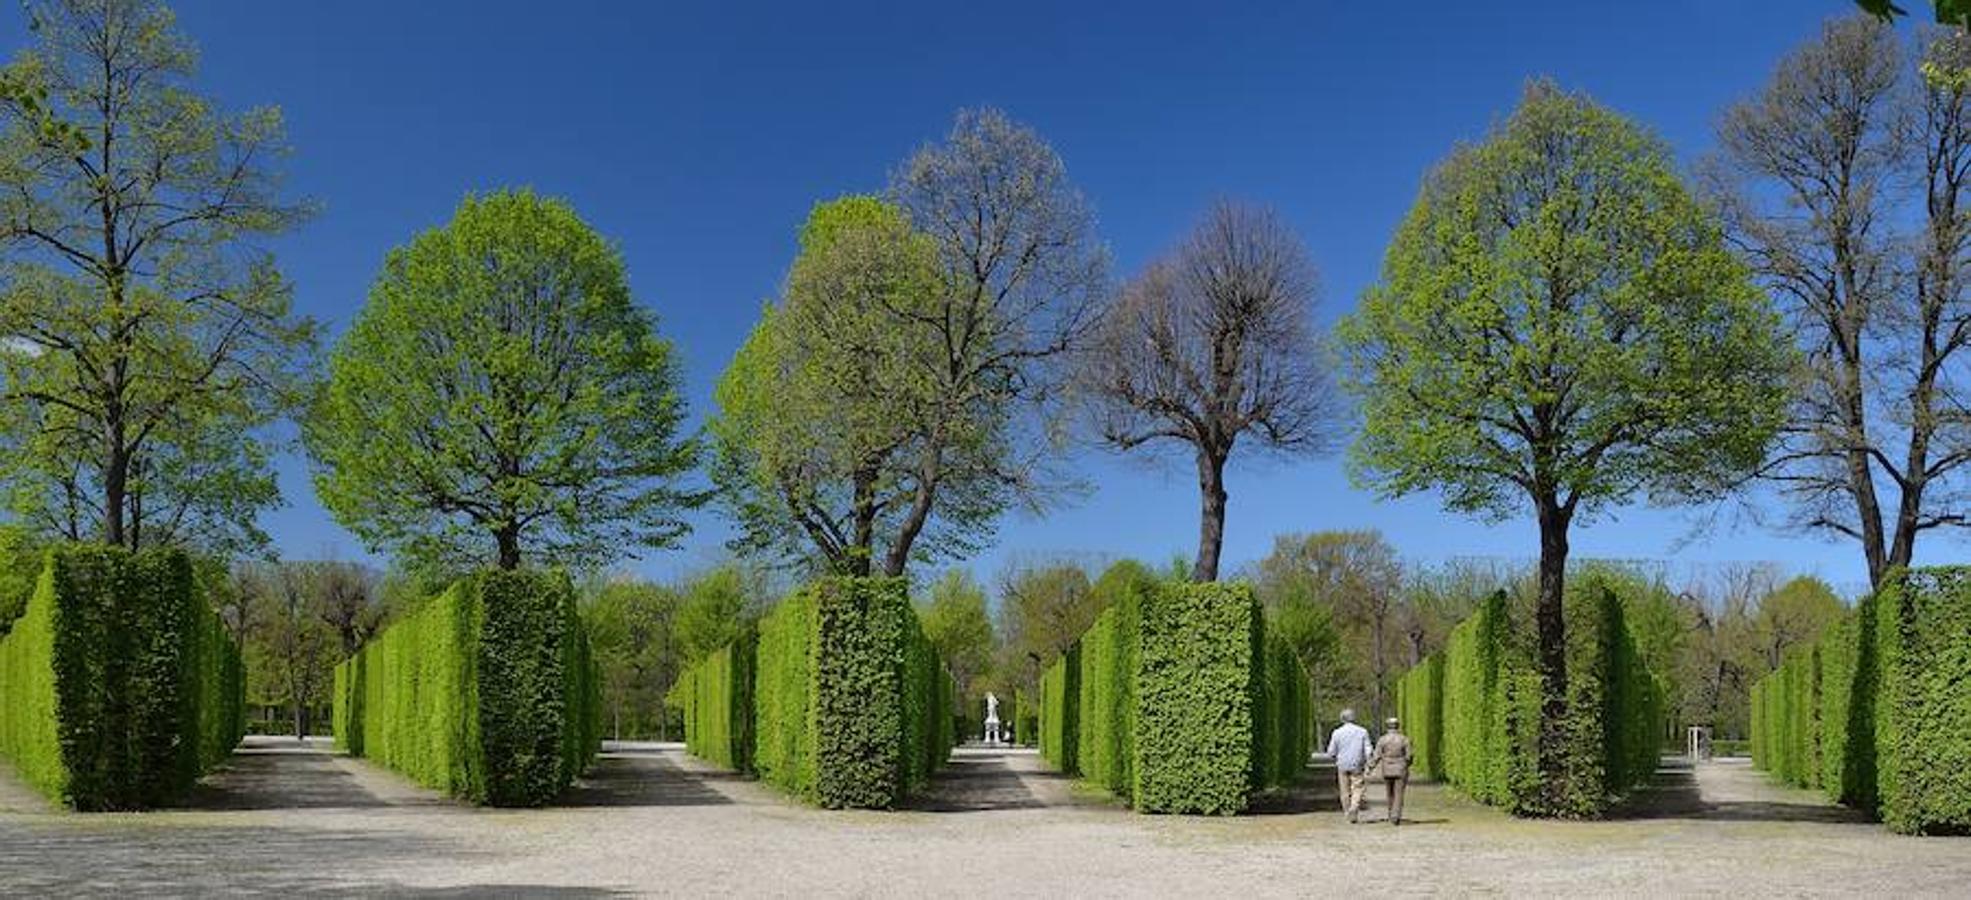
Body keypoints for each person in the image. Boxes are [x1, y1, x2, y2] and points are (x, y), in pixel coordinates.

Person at [1325, 708, 1373, 823]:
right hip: (1357, 763)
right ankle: (1354, 807)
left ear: (1342, 719)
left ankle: (1347, 812)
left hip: (1342, 764)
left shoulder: (1337, 732)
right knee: (1357, 787)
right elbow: (1368, 749)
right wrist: (1368, 761)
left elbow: (1331, 751)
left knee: (1344, 790)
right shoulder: (1362, 731)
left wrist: (1334, 756)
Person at [1367, 716, 1413, 826]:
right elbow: (1409, 756)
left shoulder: (1382, 740)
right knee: (1399, 793)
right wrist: (1406, 764)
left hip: (1387, 769)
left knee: (1389, 793)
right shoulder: (1404, 739)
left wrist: (1370, 767)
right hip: (1401, 768)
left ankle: (1390, 813)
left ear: (1387, 726)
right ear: (1398, 726)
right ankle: (1396, 815)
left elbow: (1377, 755)